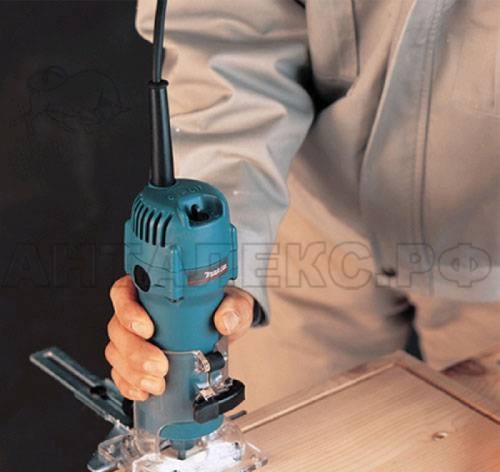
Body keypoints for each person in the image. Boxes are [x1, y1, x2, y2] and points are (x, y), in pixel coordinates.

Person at [105, 0, 500, 412]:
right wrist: (222, 247)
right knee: (276, 436)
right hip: (307, 211)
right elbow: (227, 34)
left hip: (491, 243)